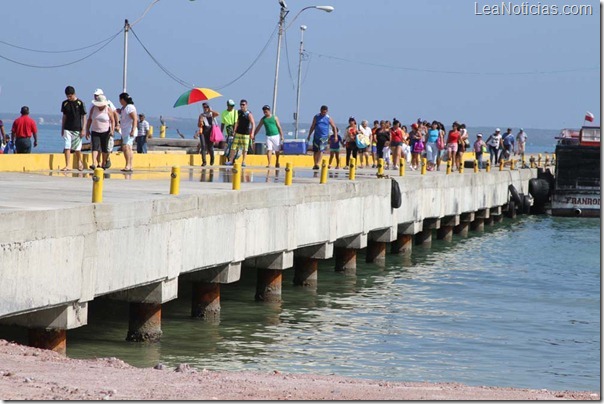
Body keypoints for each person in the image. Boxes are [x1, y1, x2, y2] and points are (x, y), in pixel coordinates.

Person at [60, 85, 87, 171]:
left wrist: (83, 129)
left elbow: (84, 117)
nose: (69, 97)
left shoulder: (80, 103)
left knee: (77, 148)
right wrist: (62, 128)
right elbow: (64, 116)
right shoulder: (65, 103)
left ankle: (79, 161)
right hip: (67, 128)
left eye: (70, 96)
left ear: (74, 94)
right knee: (67, 146)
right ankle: (67, 165)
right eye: (67, 96)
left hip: (77, 129)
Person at [86, 95, 115, 170]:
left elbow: (112, 120)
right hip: (95, 130)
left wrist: (112, 130)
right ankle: (94, 163)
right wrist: (87, 130)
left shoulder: (108, 109)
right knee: (95, 147)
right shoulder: (93, 109)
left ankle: (103, 162)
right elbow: (89, 119)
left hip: (105, 131)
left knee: (104, 148)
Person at [93, 89, 119, 169]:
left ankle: (106, 160)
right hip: (96, 129)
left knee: (107, 147)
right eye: (95, 95)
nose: (96, 96)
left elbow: (114, 114)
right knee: (96, 147)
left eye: (97, 95)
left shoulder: (109, 104)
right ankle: (97, 163)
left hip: (107, 129)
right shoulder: (93, 104)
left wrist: (116, 125)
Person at [307, 105, 337, 170]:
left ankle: (318, 163)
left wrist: (335, 136)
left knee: (321, 150)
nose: (324, 113)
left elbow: (334, 127)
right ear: (320, 111)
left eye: (325, 112)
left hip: (324, 137)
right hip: (316, 136)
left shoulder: (328, 118)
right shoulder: (316, 117)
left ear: (327, 112)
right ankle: (315, 163)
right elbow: (312, 126)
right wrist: (309, 135)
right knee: (315, 151)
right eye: (323, 112)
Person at [226, 99, 255, 167]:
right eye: (241, 104)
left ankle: (243, 161)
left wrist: (252, 133)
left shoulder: (248, 113)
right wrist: (234, 131)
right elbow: (237, 122)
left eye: (243, 105)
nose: (242, 106)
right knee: (234, 147)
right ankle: (231, 160)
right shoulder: (238, 112)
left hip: (246, 134)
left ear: (246, 105)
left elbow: (253, 123)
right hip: (238, 132)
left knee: (245, 148)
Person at [118, 92, 138, 172]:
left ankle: (128, 165)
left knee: (126, 147)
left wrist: (133, 130)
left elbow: (135, 118)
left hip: (129, 130)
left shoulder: (130, 107)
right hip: (125, 131)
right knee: (128, 148)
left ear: (123, 99)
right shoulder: (124, 108)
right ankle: (129, 165)